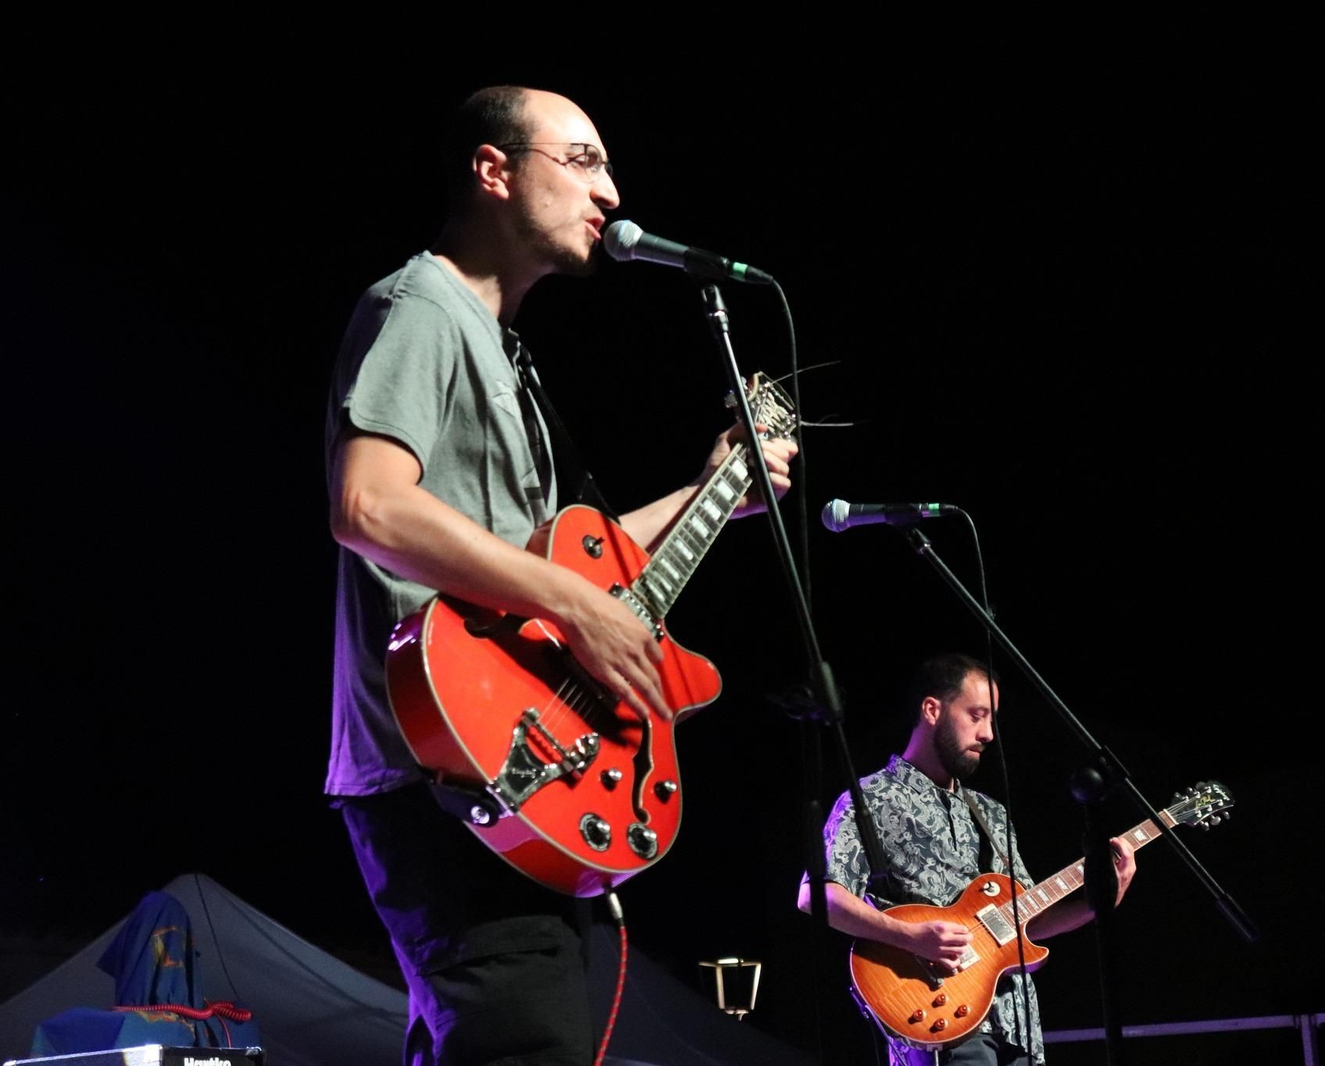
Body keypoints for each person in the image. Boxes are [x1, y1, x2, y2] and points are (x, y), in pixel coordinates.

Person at [325, 86, 797, 1066]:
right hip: (443, 767)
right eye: (580, 161)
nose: (611, 192)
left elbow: (545, 565)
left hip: (508, 760)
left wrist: (710, 494)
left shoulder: (503, 351)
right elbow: (368, 505)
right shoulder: (419, 305)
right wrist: (581, 605)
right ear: (494, 172)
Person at [799, 654, 1137, 1066]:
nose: (989, 734)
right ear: (932, 710)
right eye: (977, 716)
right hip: (937, 1019)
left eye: (992, 720)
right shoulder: (869, 798)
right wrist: (911, 937)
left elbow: (1028, 920)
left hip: (1017, 1025)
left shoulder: (991, 813)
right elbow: (817, 896)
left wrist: (1099, 899)